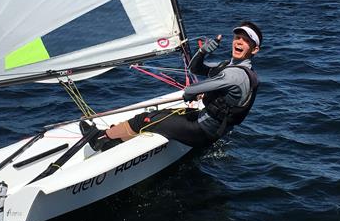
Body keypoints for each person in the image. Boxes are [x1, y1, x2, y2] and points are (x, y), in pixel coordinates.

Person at [80, 21, 262, 151]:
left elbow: (191, 90)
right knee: (165, 114)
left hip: (202, 131)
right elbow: (195, 68)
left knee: (145, 118)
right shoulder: (230, 67)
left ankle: (100, 139)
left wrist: (191, 94)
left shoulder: (236, 74)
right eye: (237, 37)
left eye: (246, 40)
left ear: (254, 50)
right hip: (211, 127)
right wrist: (203, 52)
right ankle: (116, 139)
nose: (239, 41)